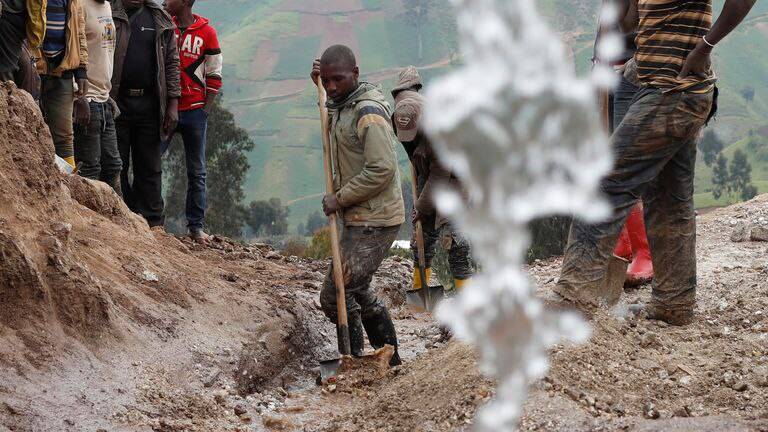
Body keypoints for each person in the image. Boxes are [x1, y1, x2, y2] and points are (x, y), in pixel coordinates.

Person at [554, 0, 757, 326]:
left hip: (675, 92)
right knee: (667, 200)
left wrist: (705, 46)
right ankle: (673, 304)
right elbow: (627, 26)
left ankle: (570, 302)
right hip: (653, 86)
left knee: (605, 189)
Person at [310, 45, 405, 366]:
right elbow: (331, 113)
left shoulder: (368, 113)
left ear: (356, 74)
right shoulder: (342, 105)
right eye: (327, 80)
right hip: (360, 216)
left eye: (337, 79)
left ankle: (352, 360)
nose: (331, 86)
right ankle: (387, 359)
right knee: (356, 289)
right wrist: (318, 85)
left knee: (336, 292)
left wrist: (340, 197)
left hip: (376, 217)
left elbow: (382, 169)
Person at [391, 66, 473, 294]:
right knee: (422, 240)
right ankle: (421, 293)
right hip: (429, 177)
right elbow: (418, 160)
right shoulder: (400, 116)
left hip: (455, 182)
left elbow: (441, 172)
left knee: (454, 242)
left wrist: (422, 206)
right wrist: (423, 206)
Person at [594, 6, 653, 287]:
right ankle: (622, 245)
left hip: (631, 73)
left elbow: (631, 23)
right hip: (607, 72)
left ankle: (646, 250)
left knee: (624, 161)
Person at [112, 0, 180, 228]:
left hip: (150, 105)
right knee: (115, 164)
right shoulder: (109, 11)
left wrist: (173, 104)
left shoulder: (159, 18)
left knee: (150, 167)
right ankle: (121, 217)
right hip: (116, 103)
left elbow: (172, 62)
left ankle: (153, 223)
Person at [162, 0, 223, 241]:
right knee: (152, 161)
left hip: (195, 112)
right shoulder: (166, 26)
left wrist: (204, 112)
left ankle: (195, 226)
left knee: (197, 171)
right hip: (167, 110)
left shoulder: (207, 33)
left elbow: (214, 75)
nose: (165, 1)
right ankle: (149, 218)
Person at [73, 0, 122, 195]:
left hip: (104, 98)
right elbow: (73, 50)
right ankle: (90, 222)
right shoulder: (79, 5)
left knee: (113, 166)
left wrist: (107, 94)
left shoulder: (107, 6)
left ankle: (117, 223)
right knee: (90, 169)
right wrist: (78, 95)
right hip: (87, 100)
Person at [33, 0, 89, 169]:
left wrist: (81, 70)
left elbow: (79, 33)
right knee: (30, 128)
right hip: (34, 69)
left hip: (63, 71)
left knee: (64, 135)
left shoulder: (74, 1)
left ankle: (67, 184)